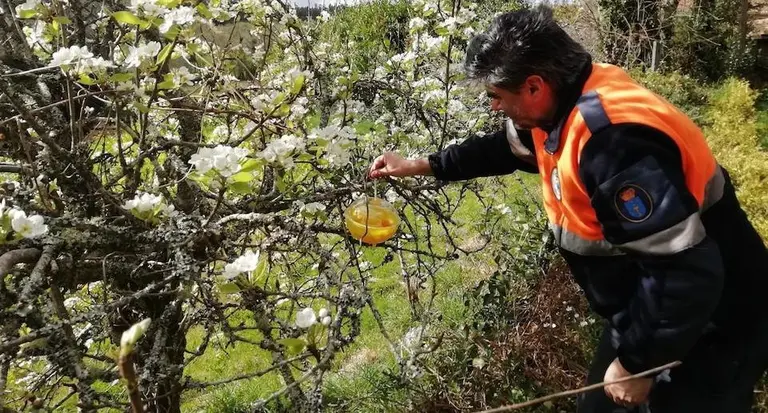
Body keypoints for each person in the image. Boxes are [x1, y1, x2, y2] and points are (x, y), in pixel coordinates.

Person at [368, 5, 768, 412]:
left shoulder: (613, 143)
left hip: (710, 320)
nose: (494, 108)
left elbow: (685, 271)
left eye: (496, 97)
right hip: (648, 307)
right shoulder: (563, 100)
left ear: (534, 86)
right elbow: (504, 149)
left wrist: (638, 365)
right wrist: (423, 165)